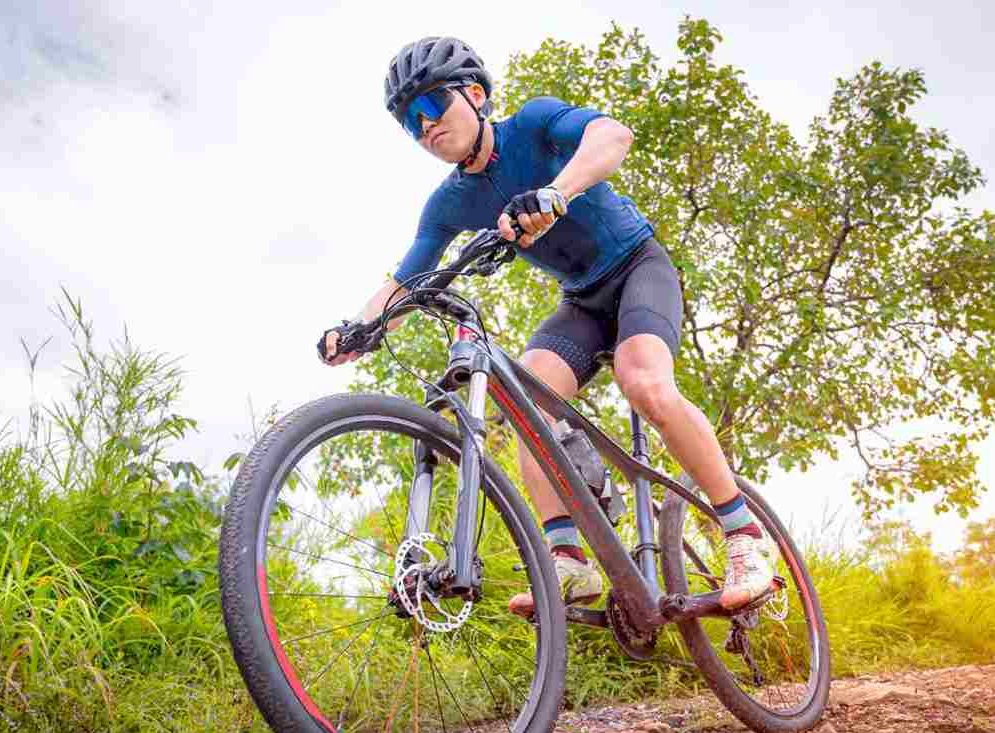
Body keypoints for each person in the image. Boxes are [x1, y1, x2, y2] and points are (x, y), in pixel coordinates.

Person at [319, 36, 773, 617]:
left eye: (432, 105)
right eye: (411, 121)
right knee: (526, 403)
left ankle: (743, 533)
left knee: (645, 382)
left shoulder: (533, 125)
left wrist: (557, 191)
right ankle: (570, 560)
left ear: (475, 94)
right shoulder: (448, 203)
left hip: (638, 268)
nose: (425, 126)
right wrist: (359, 328)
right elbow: (409, 278)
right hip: (582, 300)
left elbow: (613, 136)